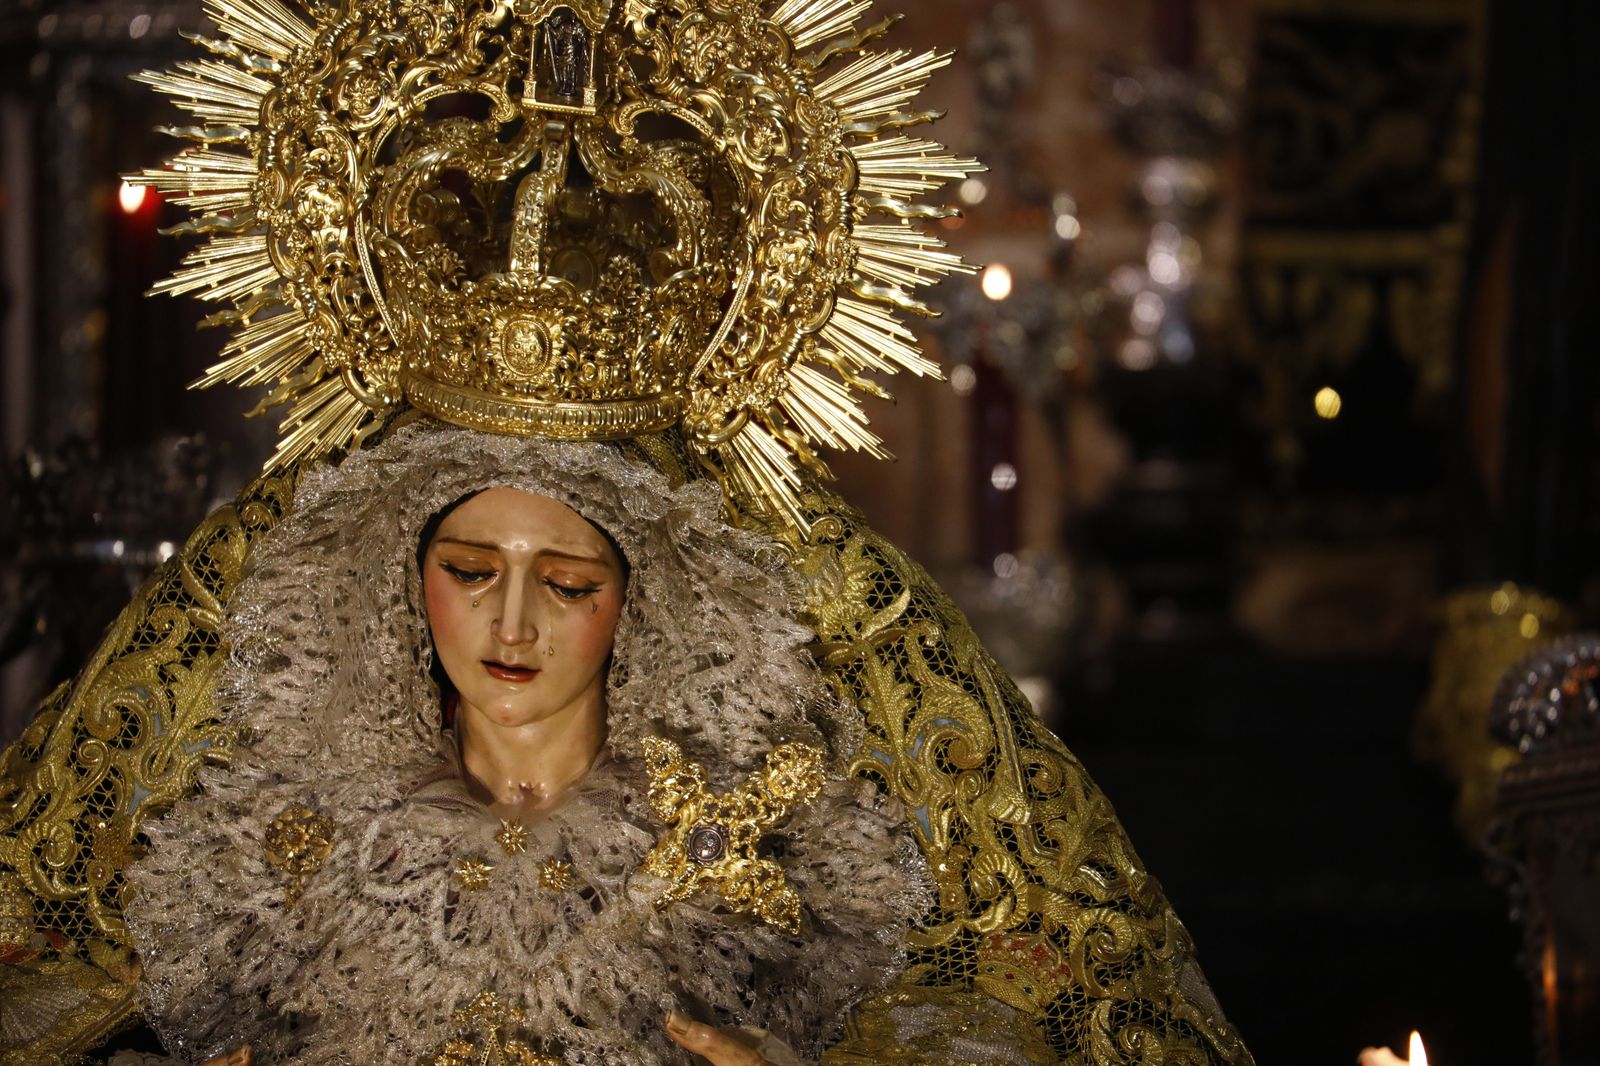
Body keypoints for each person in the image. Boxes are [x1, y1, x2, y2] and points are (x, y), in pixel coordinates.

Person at [0, 0, 1253, 1061]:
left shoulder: (780, 837)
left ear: (644, 598)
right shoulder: (262, 829)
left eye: (567, 582)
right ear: (400, 575)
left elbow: (1044, 991)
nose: (510, 621)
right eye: (468, 569)